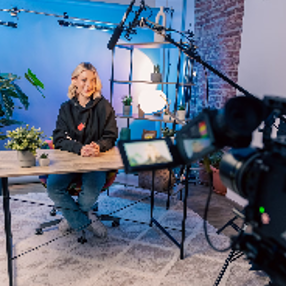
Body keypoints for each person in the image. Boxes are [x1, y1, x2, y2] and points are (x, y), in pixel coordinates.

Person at [47, 62, 118, 239]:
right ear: (75, 81)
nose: (89, 85)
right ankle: (82, 220)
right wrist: (79, 149)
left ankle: (72, 217)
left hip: (95, 161)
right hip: (70, 160)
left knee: (91, 191)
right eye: (84, 80)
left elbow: (111, 136)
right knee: (53, 187)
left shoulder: (104, 106)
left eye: (92, 80)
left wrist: (98, 146)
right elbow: (59, 138)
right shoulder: (66, 108)